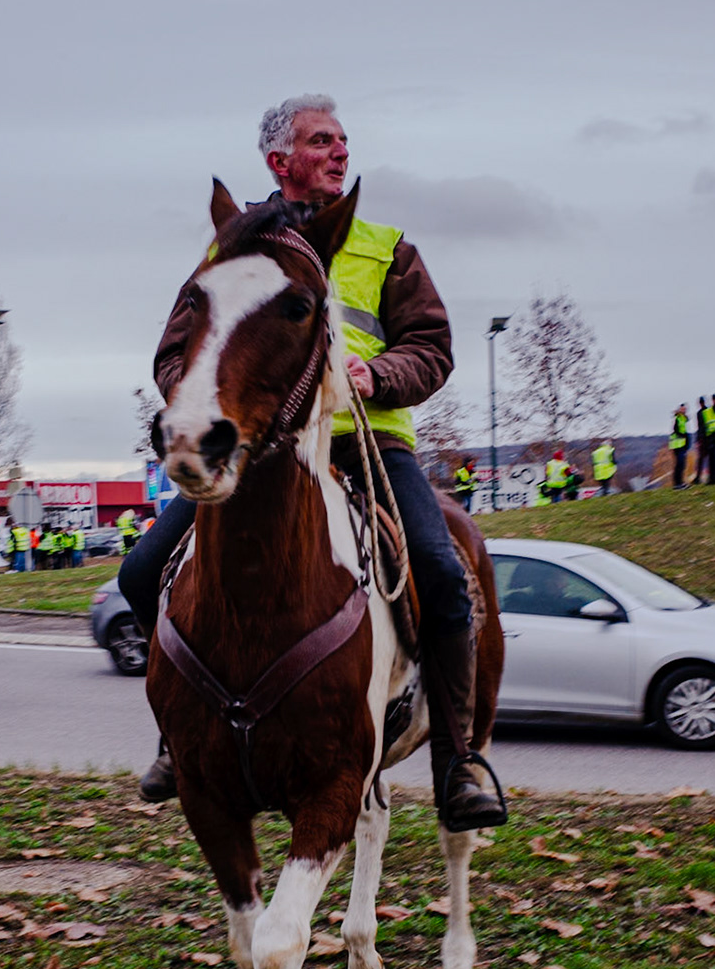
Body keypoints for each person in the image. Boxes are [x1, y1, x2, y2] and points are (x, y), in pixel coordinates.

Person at [120, 92, 504, 832]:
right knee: (141, 573)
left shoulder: (386, 245)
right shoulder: (230, 246)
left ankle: (458, 759)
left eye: (342, 139)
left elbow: (433, 348)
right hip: (260, 454)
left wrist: (376, 375)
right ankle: (178, 734)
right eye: (321, 140)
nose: (339, 151)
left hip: (369, 446)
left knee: (441, 571)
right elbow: (178, 351)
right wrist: (206, 405)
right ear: (280, 160)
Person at [668, 403, 691, 489]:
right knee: (679, 464)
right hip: (677, 445)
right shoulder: (678, 418)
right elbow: (677, 430)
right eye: (682, 409)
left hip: (681, 444)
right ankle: (677, 483)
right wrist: (683, 436)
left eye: (685, 409)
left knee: (682, 465)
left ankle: (680, 482)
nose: (684, 411)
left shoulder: (683, 419)